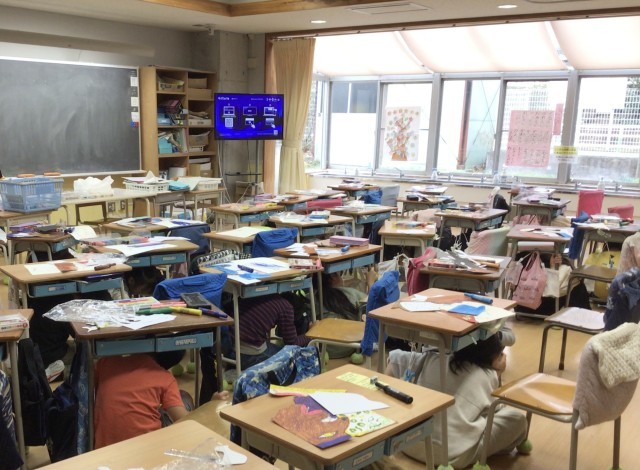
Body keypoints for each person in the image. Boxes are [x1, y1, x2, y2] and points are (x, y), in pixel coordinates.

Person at [385, 334, 528, 469]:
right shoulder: (487, 375)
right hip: (451, 456)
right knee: (518, 419)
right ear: (491, 356)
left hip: (407, 443)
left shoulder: (432, 359)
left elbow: (394, 358)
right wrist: (498, 374)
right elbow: (496, 410)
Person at [93, 351, 227, 448]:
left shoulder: (105, 363)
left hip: (102, 450)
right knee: (184, 397)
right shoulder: (164, 377)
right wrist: (211, 405)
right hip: (148, 449)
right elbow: (186, 421)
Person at [222, 293, 314, 370]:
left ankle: (233, 366)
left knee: (273, 347)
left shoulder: (267, 295)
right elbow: (291, 343)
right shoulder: (287, 307)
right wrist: (311, 334)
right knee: (293, 358)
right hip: (247, 355)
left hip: (227, 349)